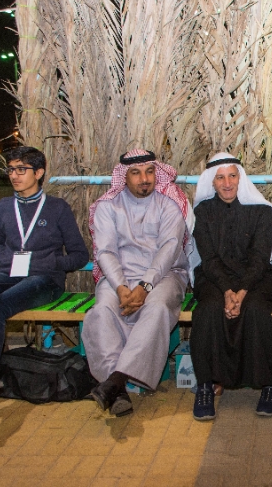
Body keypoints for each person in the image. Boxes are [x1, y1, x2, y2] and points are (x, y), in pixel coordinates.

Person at [0, 146, 89, 436]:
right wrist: (4, 260)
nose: (14, 175)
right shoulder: (3, 207)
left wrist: (48, 263)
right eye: (10, 169)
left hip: (45, 281)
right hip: (9, 275)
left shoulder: (57, 208)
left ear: (39, 172)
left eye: (21, 169)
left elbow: (79, 255)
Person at [81, 149, 192, 416]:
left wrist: (145, 286)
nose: (145, 178)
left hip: (164, 276)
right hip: (117, 277)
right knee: (101, 311)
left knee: (157, 308)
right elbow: (105, 252)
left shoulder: (169, 205)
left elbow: (169, 250)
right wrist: (121, 288)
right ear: (124, 177)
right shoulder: (108, 207)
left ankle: (115, 381)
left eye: (149, 171)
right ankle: (117, 390)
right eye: (136, 173)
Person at [189, 153, 272, 421]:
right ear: (212, 182)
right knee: (207, 310)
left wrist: (241, 292)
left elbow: (260, 258)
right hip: (214, 278)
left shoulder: (261, 210)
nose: (227, 183)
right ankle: (205, 385)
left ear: (240, 178)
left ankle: (270, 384)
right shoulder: (202, 212)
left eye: (232, 176)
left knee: (255, 309)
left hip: (257, 277)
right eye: (220, 178)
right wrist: (227, 291)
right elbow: (209, 259)